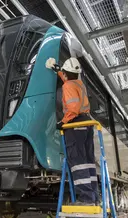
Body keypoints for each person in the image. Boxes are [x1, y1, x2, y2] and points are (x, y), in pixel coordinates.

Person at [46, 57, 97, 206]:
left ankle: (86, 199)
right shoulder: (79, 84)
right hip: (87, 124)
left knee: (77, 162)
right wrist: (57, 69)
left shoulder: (68, 86)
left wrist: (62, 122)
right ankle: (93, 197)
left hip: (75, 125)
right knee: (88, 161)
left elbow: (73, 109)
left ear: (66, 74)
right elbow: (68, 78)